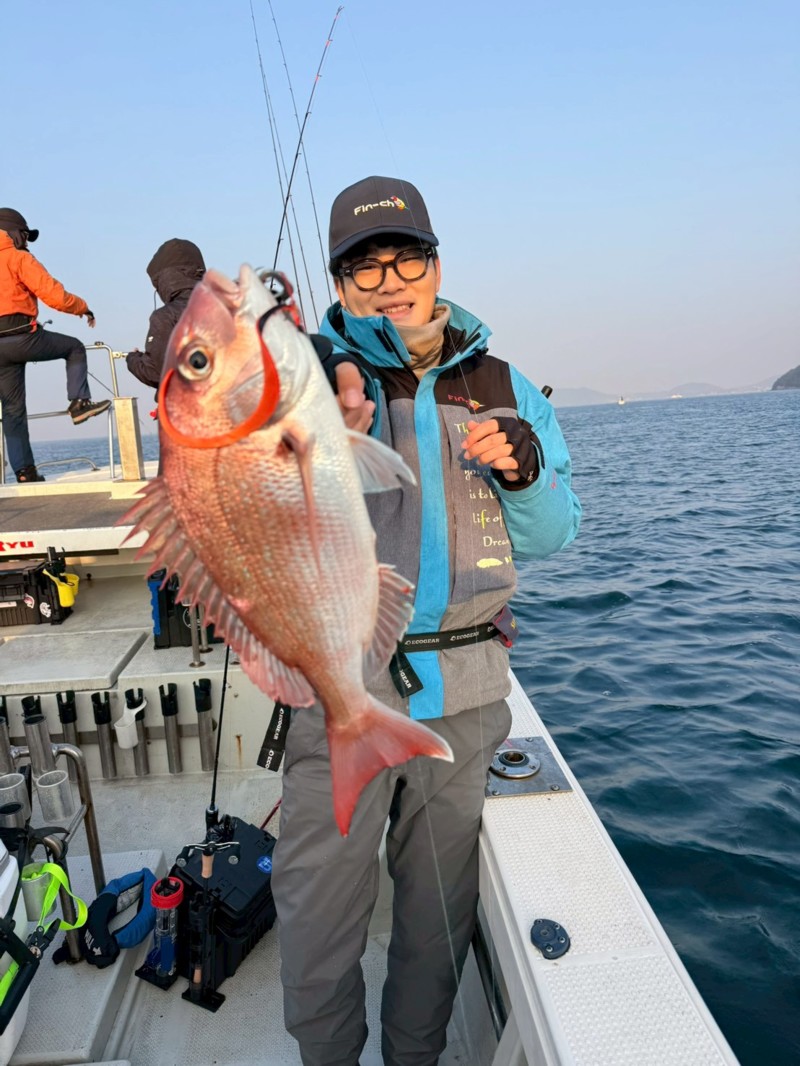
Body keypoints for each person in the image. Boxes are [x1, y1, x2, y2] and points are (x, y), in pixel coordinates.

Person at [271, 175, 582, 1066]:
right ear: (338, 287)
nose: (388, 279)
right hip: (340, 687)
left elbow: (558, 533)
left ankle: (414, 1058)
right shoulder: (310, 378)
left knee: (437, 920)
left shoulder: (507, 384)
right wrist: (316, 432)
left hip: (470, 693)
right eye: (363, 268)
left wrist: (523, 469)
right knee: (318, 912)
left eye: (405, 256)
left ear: (437, 263)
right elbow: (251, 509)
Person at [0, 208, 111, 483]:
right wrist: (84, 308)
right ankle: (79, 403)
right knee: (74, 348)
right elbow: (53, 295)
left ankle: (25, 473)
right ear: (14, 233)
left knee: (12, 411)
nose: (26, 241)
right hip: (22, 337)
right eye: (25, 235)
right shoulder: (18, 257)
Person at [126, 238, 206, 392]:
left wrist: (133, 360)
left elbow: (158, 373)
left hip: (188, 409)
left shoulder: (165, 317)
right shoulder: (226, 308)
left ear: (165, 280)